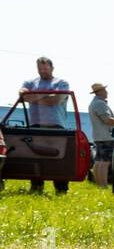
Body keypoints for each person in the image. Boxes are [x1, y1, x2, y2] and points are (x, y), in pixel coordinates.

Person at [19, 56, 71, 192]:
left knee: (59, 157)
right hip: (35, 125)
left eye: (45, 68)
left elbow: (56, 100)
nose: (43, 71)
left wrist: (34, 98)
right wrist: (46, 96)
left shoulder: (62, 83)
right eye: (40, 69)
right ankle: (36, 187)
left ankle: (61, 189)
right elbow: (23, 96)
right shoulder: (30, 82)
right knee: (35, 156)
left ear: (52, 68)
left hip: (56, 125)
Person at [87, 83, 114, 188]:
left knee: (98, 161)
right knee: (105, 162)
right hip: (106, 137)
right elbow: (108, 120)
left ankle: (99, 184)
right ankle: (103, 185)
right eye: (104, 90)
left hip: (99, 136)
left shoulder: (94, 103)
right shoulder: (100, 104)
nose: (106, 92)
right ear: (100, 92)